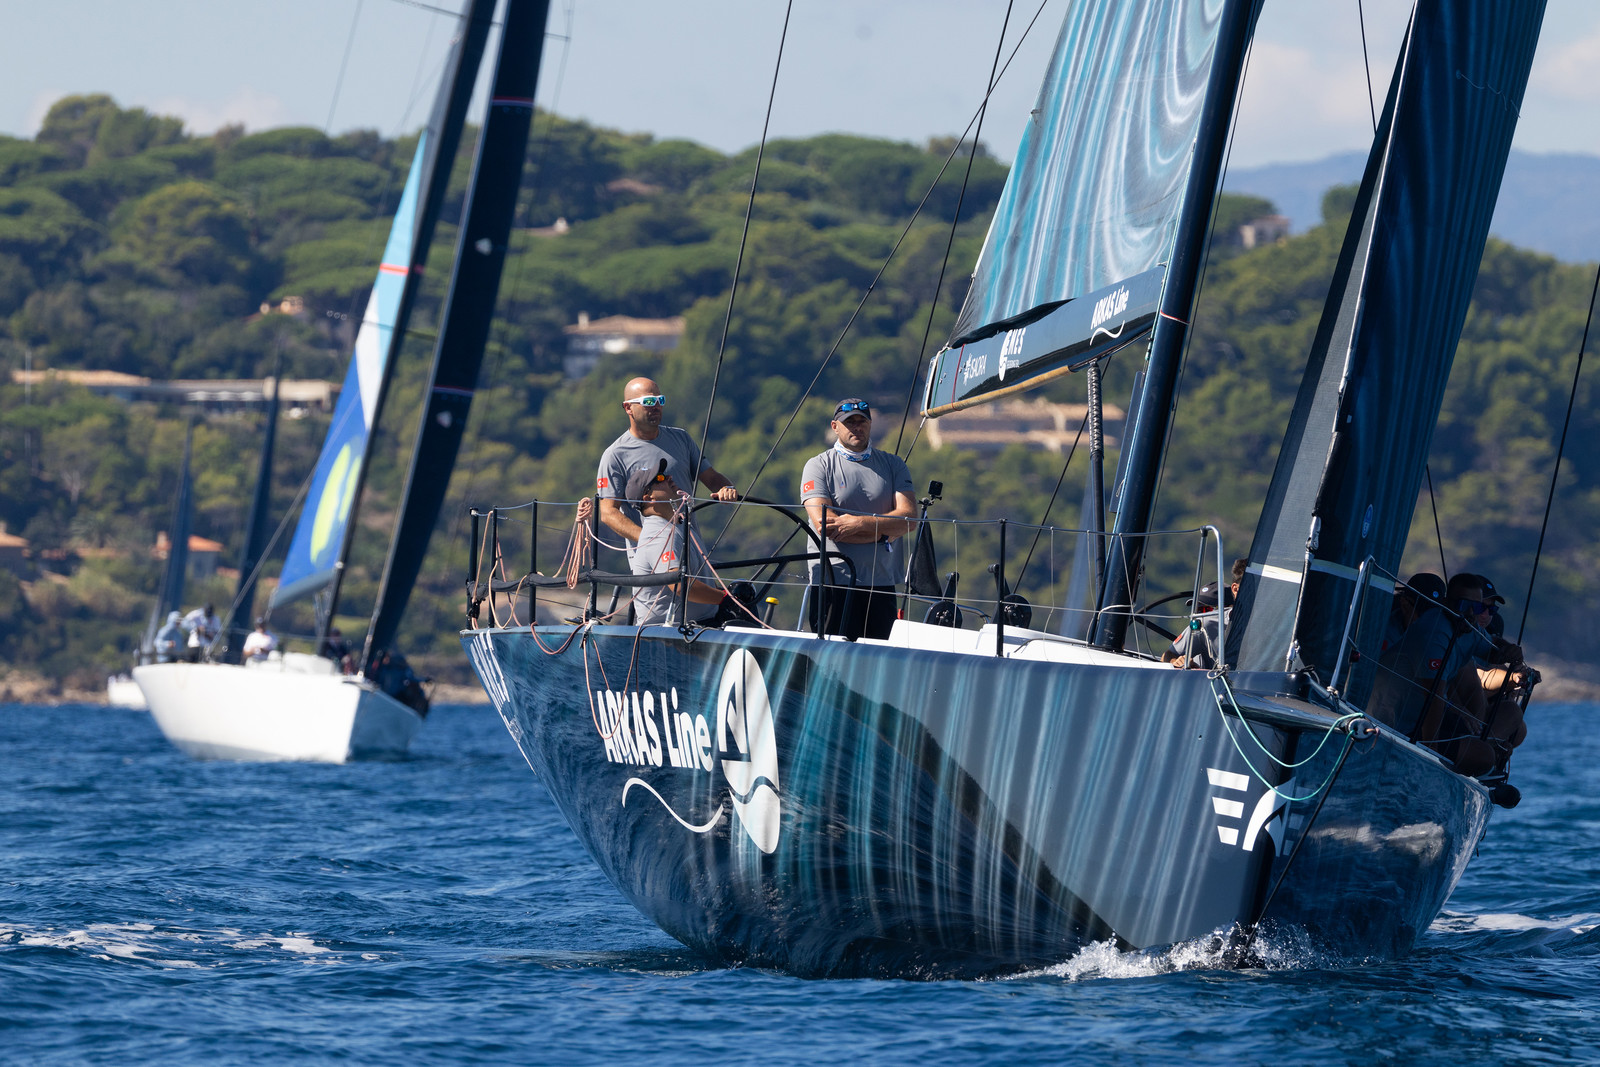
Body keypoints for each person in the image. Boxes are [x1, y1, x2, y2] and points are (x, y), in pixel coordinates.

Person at [801, 398, 916, 640]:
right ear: (835, 427)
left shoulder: (894, 464)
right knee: (832, 656)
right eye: (849, 422)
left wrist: (859, 524)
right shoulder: (818, 466)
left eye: (862, 421)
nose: (857, 427)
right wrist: (884, 533)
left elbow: (909, 518)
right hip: (834, 581)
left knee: (878, 657)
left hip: (881, 582)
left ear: (870, 424)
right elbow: (827, 526)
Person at [596, 377, 738, 561]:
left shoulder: (681, 439)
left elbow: (711, 478)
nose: (656, 406)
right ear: (628, 408)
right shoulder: (615, 454)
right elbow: (608, 513)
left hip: (692, 549)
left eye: (660, 400)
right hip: (651, 557)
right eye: (648, 402)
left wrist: (727, 489)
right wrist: (649, 540)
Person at [626, 460, 749, 626]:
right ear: (649, 498)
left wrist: (726, 597)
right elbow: (678, 584)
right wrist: (726, 599)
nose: (669, 477)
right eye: (660, 478)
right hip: (673, 631)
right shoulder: (659, 533)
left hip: (699, 624)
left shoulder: (676, 525)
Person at [1165, 558, 1247, 669]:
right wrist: (1178, 662)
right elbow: (1168, 655)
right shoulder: (1202, 625)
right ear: (1235, 589)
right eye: (1197, 610)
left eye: (1206, 610)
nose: (1199, 615)